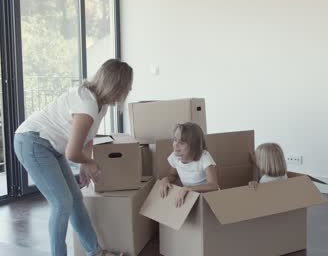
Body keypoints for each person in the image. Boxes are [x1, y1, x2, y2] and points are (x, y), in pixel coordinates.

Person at [14, 59, 133, 256]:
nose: (130, 88)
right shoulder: (87, 104)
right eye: (128, 85)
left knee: (75, 199)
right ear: (117, 85)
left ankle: (95, 252)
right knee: (62, 203)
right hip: (32, 142)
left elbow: (87, 138)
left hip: (50, 146)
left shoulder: (100, 105)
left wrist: (85, 165)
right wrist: (91, 163)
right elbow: (72, 153)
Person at [159, 122, 219, 207]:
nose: (176, 144)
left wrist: (189, 188)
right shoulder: (175, 157)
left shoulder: (204, 157)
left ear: (194, 146)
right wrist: (165, 179)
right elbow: (173, 175)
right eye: (175, 140)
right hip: (190, 196)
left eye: (182, 142)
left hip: (209, 198)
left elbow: (213, 186)